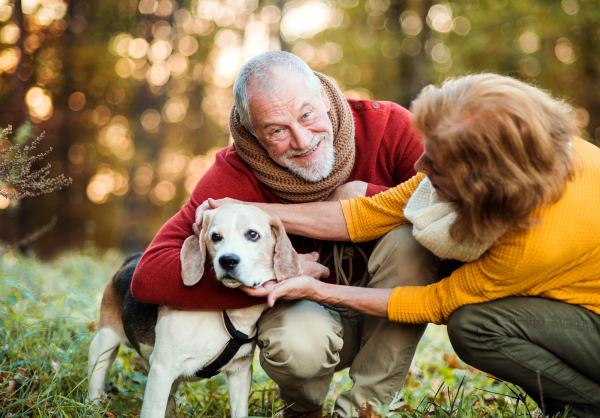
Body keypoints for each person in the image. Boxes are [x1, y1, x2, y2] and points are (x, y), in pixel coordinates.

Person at [203, 74, 600, 418]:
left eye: (438, 167)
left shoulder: (533, 242)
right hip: (570, 302)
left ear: (484, 186)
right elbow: (369, 213)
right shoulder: (527, 156)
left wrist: (318, 288)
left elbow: (433, 303)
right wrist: (247, 210)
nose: (419, 166)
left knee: (474, 326)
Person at [131, 51, 439, 417]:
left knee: (411, 239)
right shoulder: (234, 174)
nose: (302, 139)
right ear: (253, 134)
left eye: (307, 114)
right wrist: (282, 270)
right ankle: (302, 409)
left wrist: (362, 200)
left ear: (324, 96)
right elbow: (148, 276)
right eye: (277, 130)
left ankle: (365, 410)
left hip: (385, 314)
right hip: (306, 321)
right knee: (296, 340)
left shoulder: (389, 126)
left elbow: (449, 199)